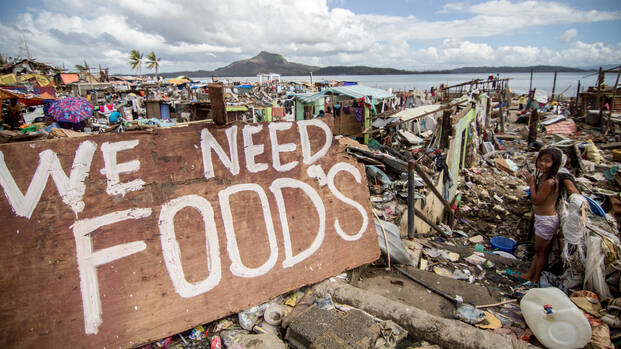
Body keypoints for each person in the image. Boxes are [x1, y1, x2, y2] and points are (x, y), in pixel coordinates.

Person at [521, 147, 563, 283]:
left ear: (554, 164)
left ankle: (535, 278)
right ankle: (530, 274)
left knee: (540, 253)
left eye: (547, 161)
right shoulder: (544, 177)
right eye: (541, 160)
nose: (542, 164)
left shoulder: (550, 182)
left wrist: (531, 184)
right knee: (537, 251)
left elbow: (536, 200)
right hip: (543, 219)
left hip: (546, 220)